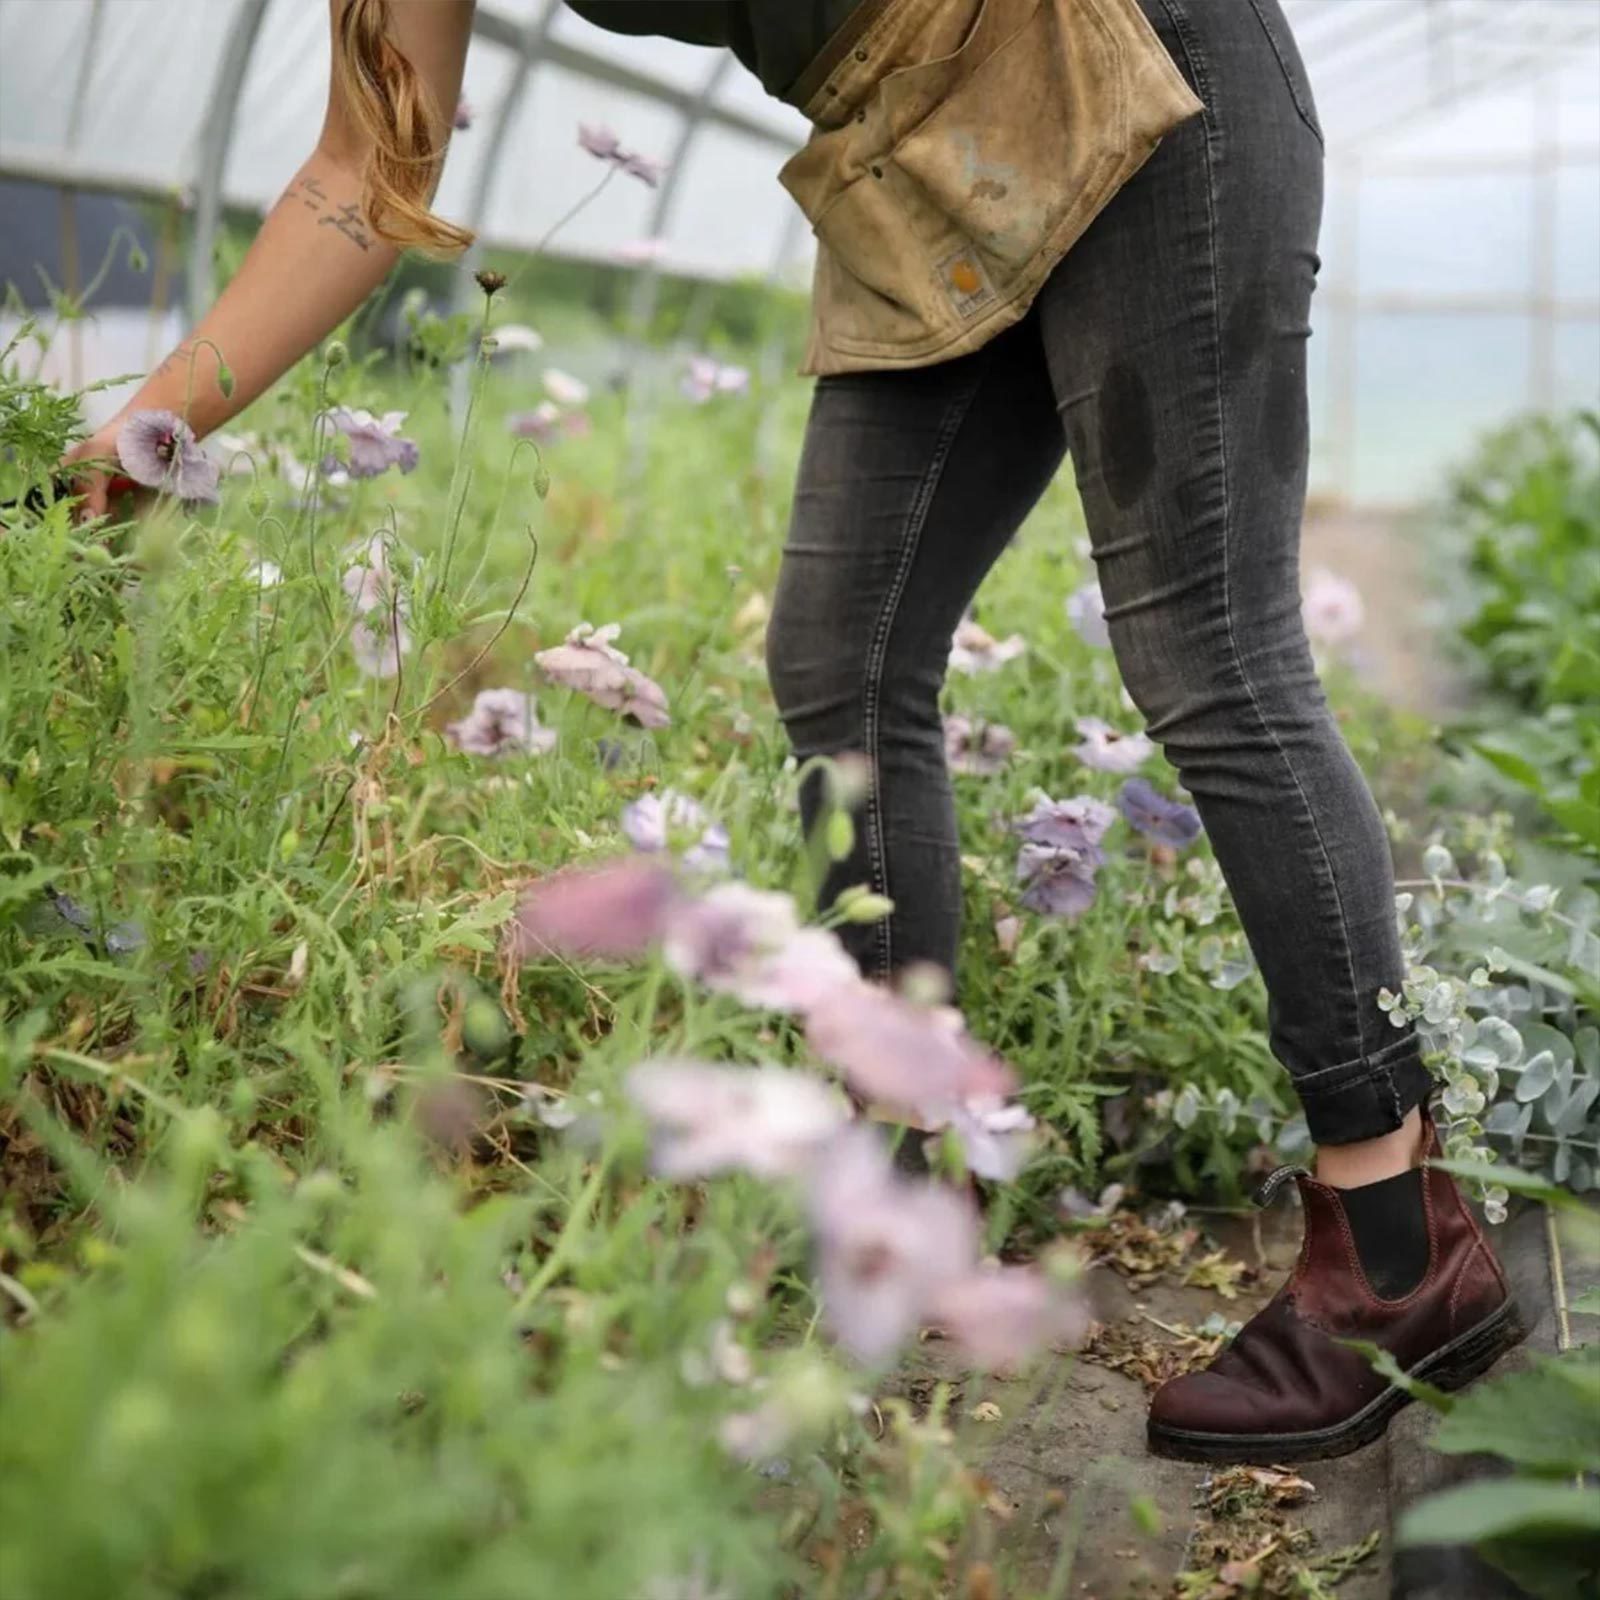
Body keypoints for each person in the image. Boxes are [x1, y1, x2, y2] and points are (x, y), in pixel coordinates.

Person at [61, 0, 1521, 1464]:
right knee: (846, 659)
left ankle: (1397, 1247)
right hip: (911, 141)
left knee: (1211, 645)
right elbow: (363, 168)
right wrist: (145, 429)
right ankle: (908, 1186)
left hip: (1118, 57)